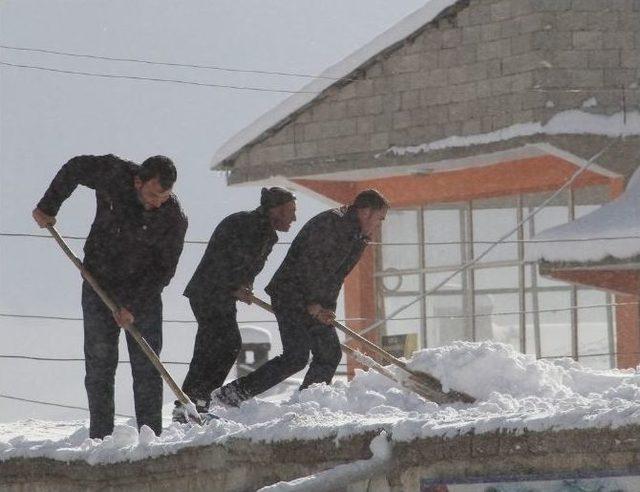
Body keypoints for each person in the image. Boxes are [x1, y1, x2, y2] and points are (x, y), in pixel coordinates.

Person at [32, 154, 188, 439]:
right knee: (100, 366)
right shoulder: (114, 174)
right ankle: (101, 438)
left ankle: (149, 437)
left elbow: (163, 271)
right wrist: (48, 206)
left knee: (146, 367)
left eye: (164, 196)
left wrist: (133, 306)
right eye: (153, 194)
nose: (157, 202)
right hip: (99, 283)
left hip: (143, 294)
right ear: (137, 181)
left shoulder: (173, 218)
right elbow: (76, 168)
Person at [215, 189, 389, 407]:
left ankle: (307, 404)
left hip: (315, 302)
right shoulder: (332, 226)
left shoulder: (356, 236)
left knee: (329, 354)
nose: (380, 225)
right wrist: (312, 306)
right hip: (291, 295)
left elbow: (335, 276)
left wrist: (326, 308)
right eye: (380, 219)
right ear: (365, 212)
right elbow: (310, 268)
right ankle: (233, 394)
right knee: (296, 356)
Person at [173, 187, 296, 420]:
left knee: (219, 346)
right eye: (290, 211)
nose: (294, 218)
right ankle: (190, 404)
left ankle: (196, 402)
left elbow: (246, 267)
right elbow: (222, 261)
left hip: (221, 294)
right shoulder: (246, 225)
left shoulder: (266, 233)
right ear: (276, 210)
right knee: (218, 345)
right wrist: (233, 287)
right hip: (209, 292)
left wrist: (245, 286)